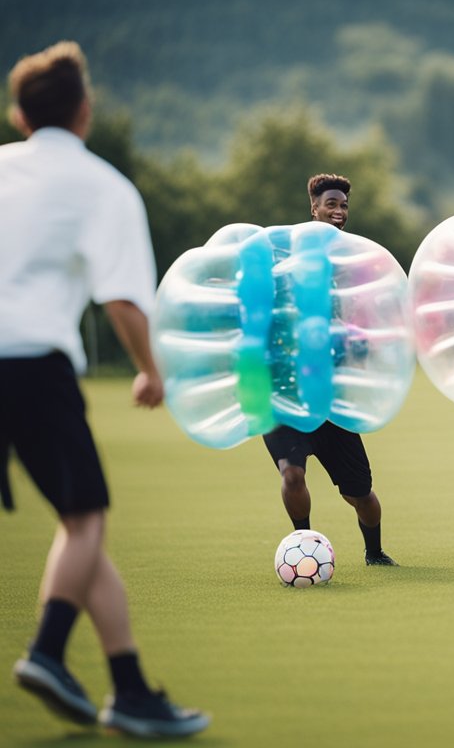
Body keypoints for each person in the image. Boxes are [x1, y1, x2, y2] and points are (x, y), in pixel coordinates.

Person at [2, 41, 209, 738]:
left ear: (19, 114)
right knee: (86, 519)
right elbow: (123, 301)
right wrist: (153, 371)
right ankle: (49, 651)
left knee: (78, 528)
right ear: (85, 111)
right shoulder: (104, 187)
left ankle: (129, 689)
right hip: (29, 365)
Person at [259, 174, 398, 567]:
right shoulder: (284, 262)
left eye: (343, 206)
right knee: (292, 476)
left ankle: (374, 552)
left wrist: (359, 341)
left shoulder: (351, 265)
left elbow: (364, 323)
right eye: (331, 204)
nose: (338, 212)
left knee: (360, 494)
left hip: (331, 399)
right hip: (284, 396)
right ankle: (303, 546)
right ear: (313, 209)